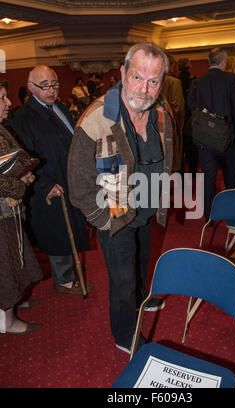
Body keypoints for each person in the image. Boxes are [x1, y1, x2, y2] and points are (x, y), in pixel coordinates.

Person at [68, 42, 173, 353]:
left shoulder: (161, 111)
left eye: (154, 81)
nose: (145, 89)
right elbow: (78, 184)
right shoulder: (96, 118)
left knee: (141, 261)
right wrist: (104, 220)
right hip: (114, 214)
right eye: (138, 77)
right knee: (122, 277)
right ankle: (125, 334)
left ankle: (141, 298)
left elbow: (168, 154)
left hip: (145, 209)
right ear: (124, 73)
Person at [10, 65, 92, 295]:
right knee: (57, 231)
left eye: (54, 83)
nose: (51, 89)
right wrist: (44, 184)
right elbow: (25, 157)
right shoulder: (24, 117)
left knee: (70, 229)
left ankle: (69, 272)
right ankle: (64, 279)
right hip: (47, 183)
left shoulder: (59, 107)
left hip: (67, 178)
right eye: (43, 85)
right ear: (30, 87)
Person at [0, 79, 43, 336]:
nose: (8, 103)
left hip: (9, 211)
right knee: (6, 267)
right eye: (3, 98)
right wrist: (21, 181)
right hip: (2, 213)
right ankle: (8, 322)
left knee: (14, 261)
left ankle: (13, 306)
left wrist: (24, 172)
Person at [188, 48, 235, 222]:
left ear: (209, 62)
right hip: (228, 136)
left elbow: (192, 105)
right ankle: (232, 215)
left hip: (205, 137)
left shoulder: (198, 81)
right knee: (231, 177)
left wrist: (205, 122)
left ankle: (209, 217)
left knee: (208, 177)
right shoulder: (233, 79)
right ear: (224, 62)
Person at [160, 55, 185, 172]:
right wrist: (180, 127)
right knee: (172, 163)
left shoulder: (152, 80)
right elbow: (178, 107)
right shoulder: (174, 82)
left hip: (155, 127)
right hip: (171, 127)